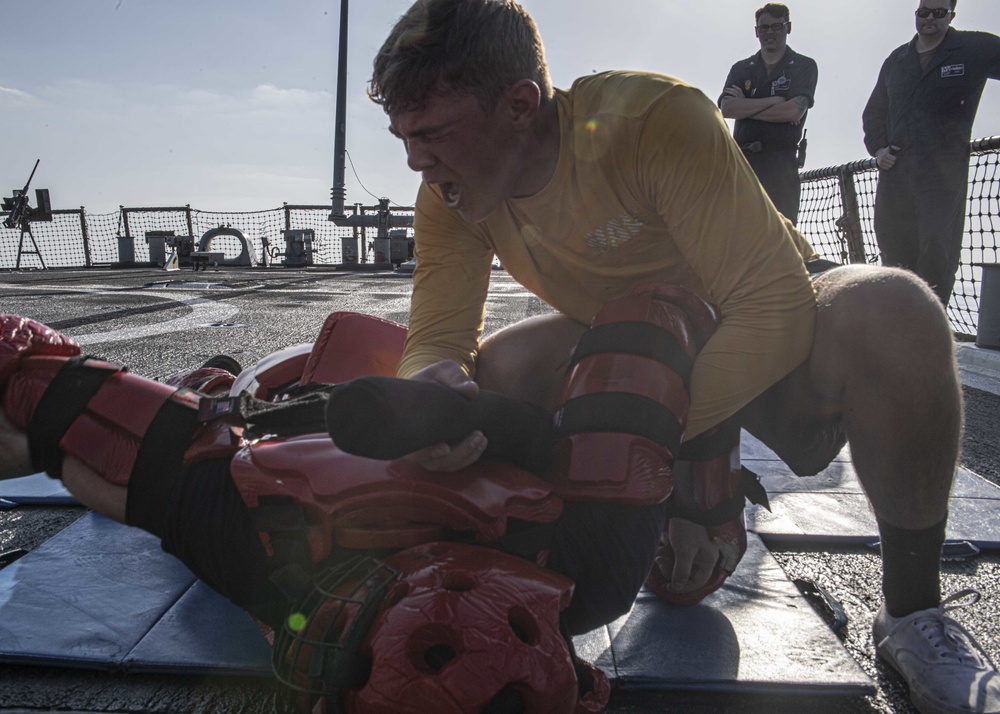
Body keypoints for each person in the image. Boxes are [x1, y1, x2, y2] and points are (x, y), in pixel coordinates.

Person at [366, 1, 998, 713]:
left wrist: (668, 451)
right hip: (632, 342)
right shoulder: (445, 192)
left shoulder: (650, 117)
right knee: (497, 375)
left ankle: (913, 613)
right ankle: (585, 541)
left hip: (764, 310)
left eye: (434, 134)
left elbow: (773, 309)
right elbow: (438, 337)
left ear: (520, 104)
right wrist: (428, 396)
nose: (416, 160)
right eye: (403, 137)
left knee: (900, 310)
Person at [863, 0, 1000, 306]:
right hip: (896, 170)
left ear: (951, 15)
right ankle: (898, 323)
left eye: (939, 13)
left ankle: (930, 322)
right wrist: (879, 149)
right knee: (893, 245)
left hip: (942, 171)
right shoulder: (898, 59)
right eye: (924, 12)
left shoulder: (973, 48)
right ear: (916, 14)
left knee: (937, 246)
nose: (930, 19)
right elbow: (873, 114)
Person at [719, 3, 818, 225]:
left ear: (788, 28)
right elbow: (727, 109)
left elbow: (792, 111)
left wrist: (746, 105)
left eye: (776, 26)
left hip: (781, 166)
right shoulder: (741, 69)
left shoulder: (804, 66)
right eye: (764, 28)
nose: (769, 33)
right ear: (756, 32)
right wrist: (773, 101)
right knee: (743, 237)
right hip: (744, 167)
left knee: (783, 239)